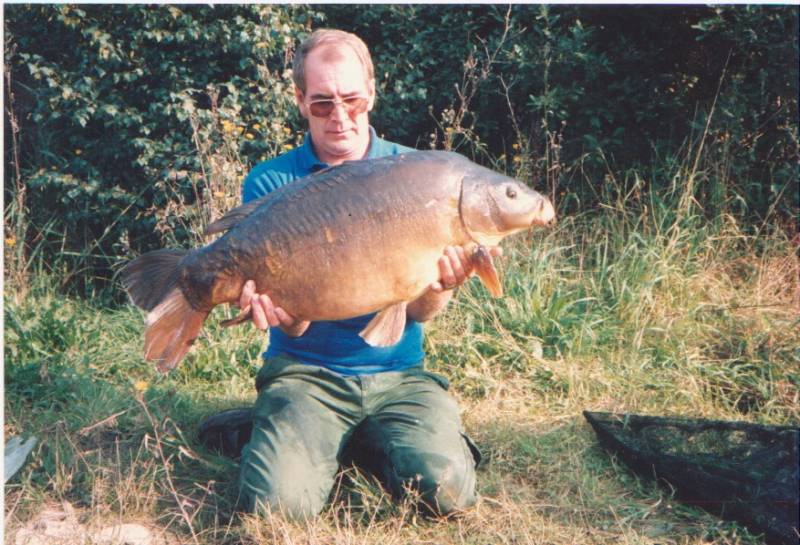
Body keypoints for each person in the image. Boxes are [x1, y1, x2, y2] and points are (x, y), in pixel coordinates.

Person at [229, 29, 499, 520]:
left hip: (398, 376)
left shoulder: (417, 174)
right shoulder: (271, 181)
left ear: (371, 93)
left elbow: (418, 311)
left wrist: (442, 286)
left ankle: (354, 443)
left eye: (352, 100)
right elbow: (294, 324)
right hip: (305, 375)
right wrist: (282, 315)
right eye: (322, 104)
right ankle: (293, 437)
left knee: (448, 494)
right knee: (275, 510)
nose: (340, 118)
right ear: (299, 99)